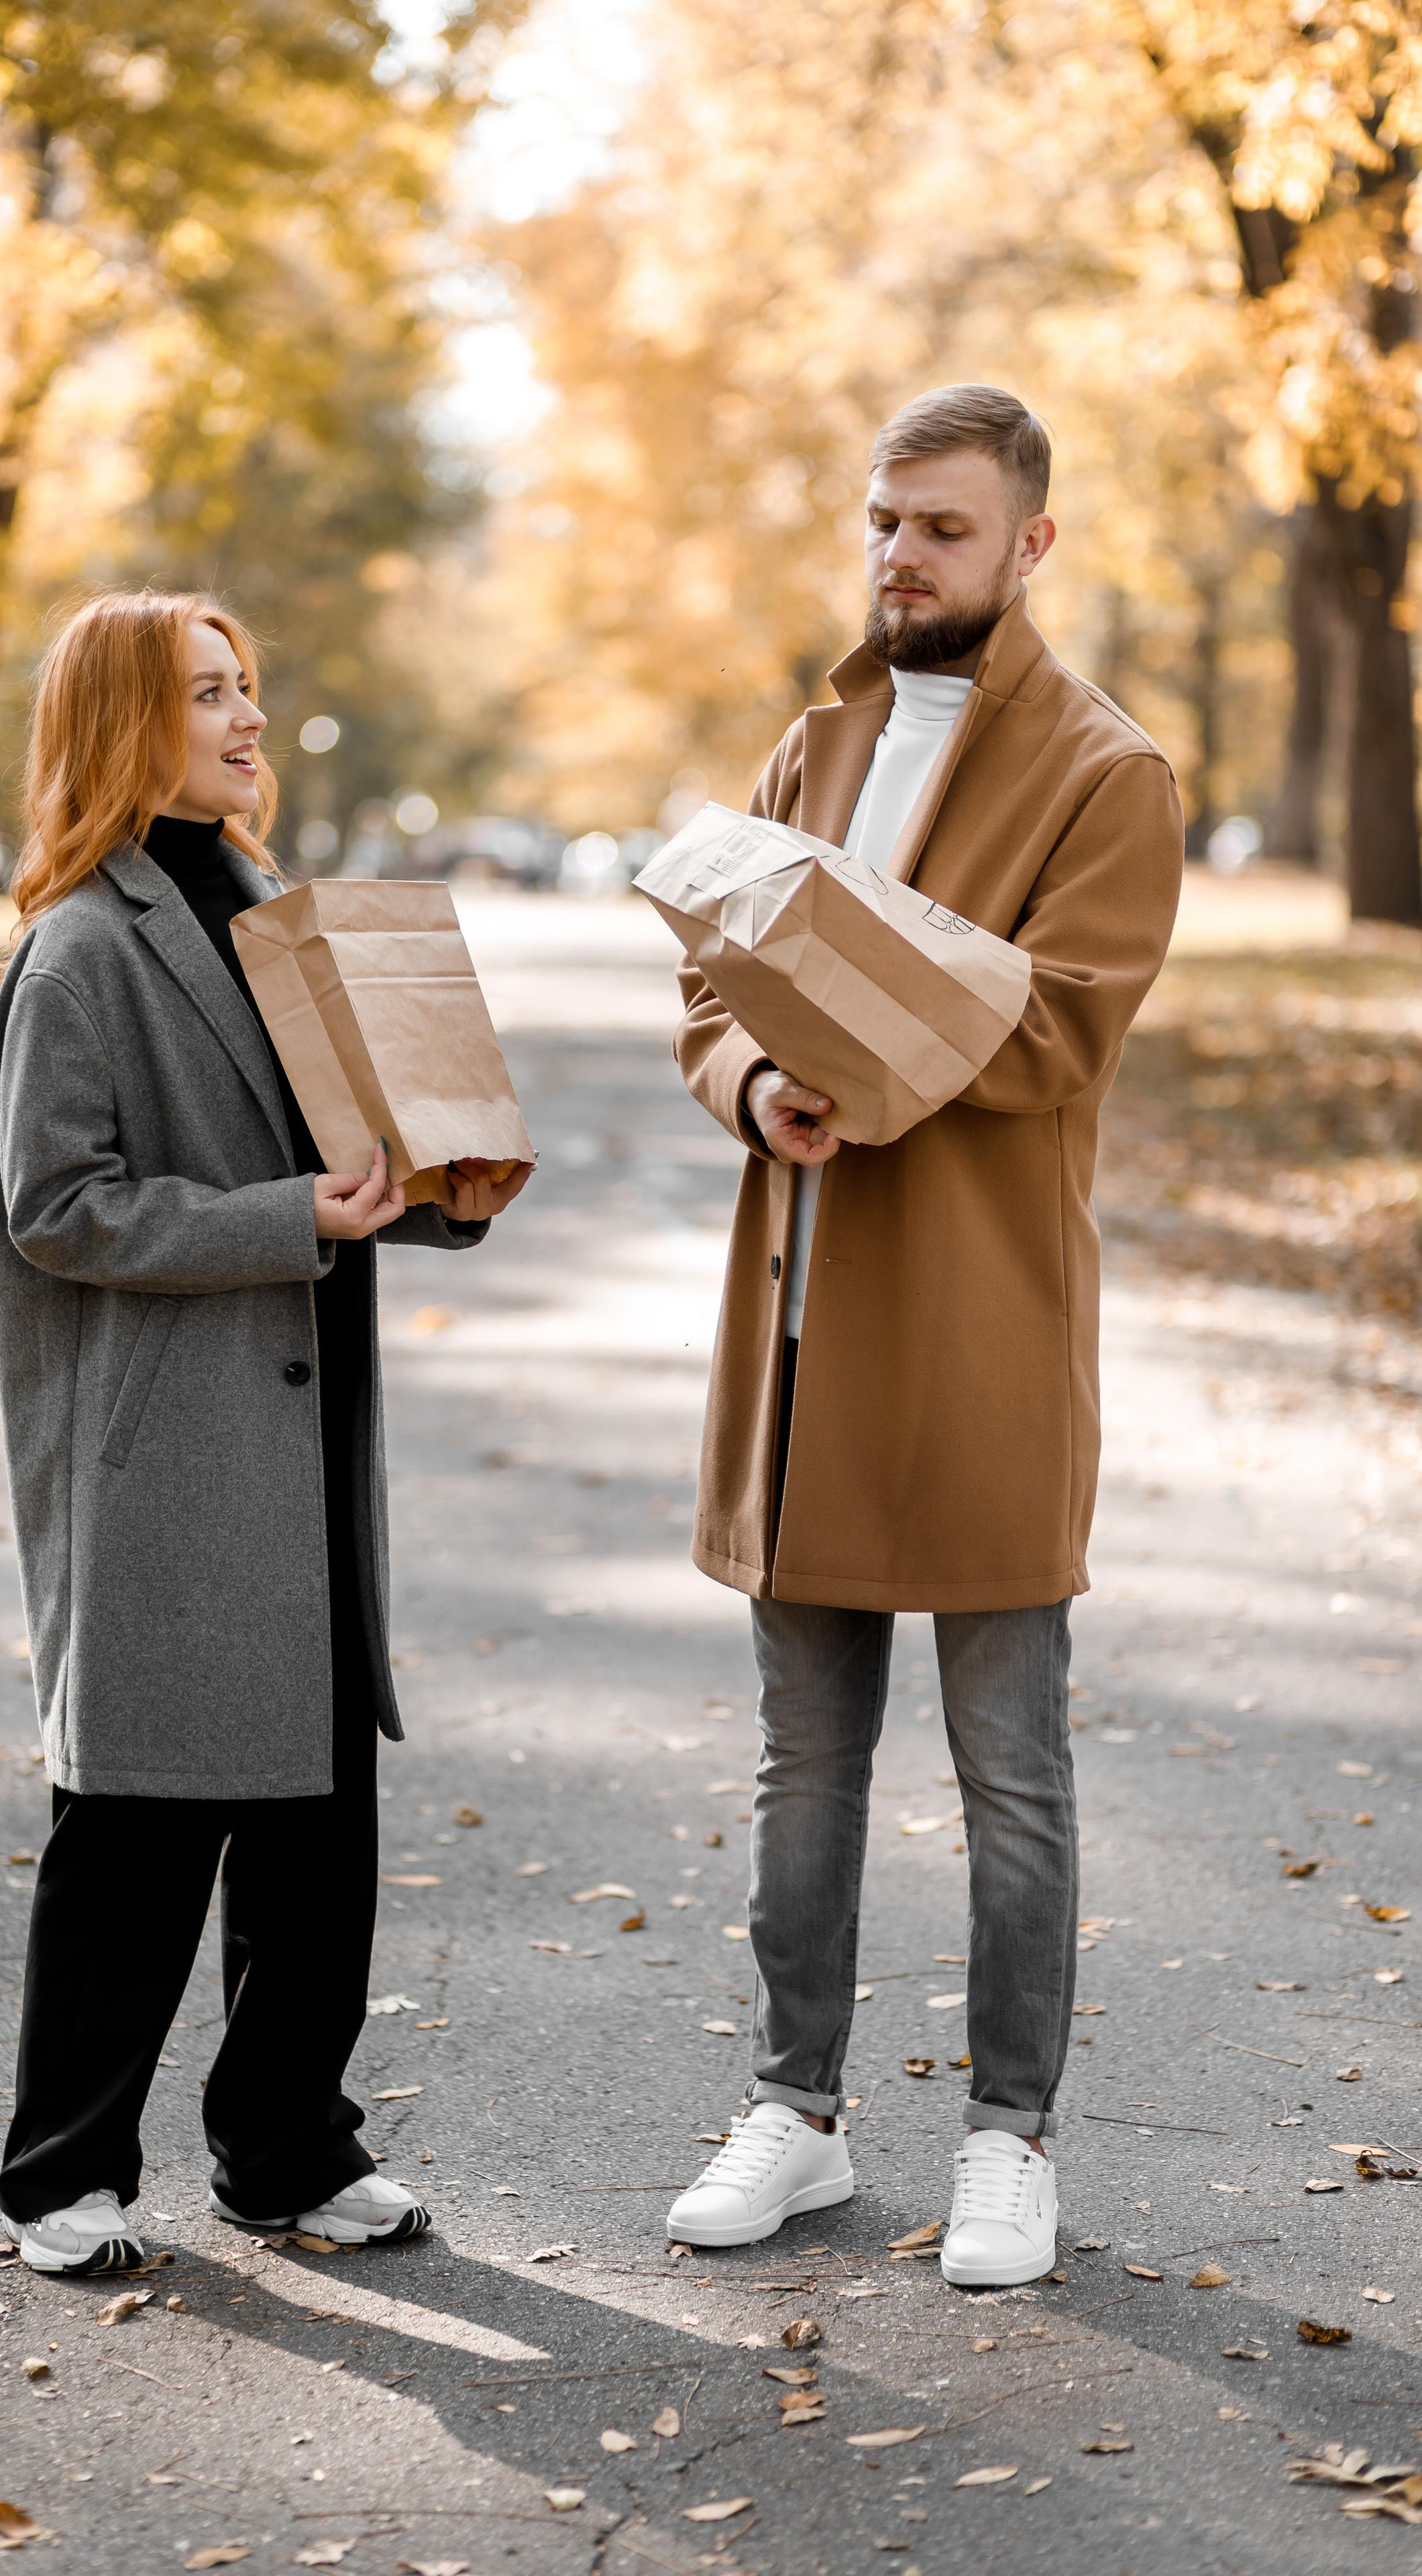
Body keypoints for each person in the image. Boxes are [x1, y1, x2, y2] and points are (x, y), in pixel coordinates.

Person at [663, 387, 1183, 2286]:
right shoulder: (817, 737)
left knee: (1008, 1776)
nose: (902, 557)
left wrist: (856, 1030)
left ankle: (1009, 2141)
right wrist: (751, 1085)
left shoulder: (1108, 774)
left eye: (944, 529)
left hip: (975, 1324)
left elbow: (1057, 1033)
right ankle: (795, 2114)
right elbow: (709, 988)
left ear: (1031, 544)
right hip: (800, 1320)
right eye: (885, 521)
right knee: (805, 1769)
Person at [0, 590, 530, 2277]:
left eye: (246, 689)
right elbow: (53, 1206)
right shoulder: (81, 944)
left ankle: (288, 2146)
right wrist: (286, 1213)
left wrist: (442, 1183)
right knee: (141, 1822)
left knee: (314, 1818)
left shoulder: (284, 914)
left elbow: (351, 1157)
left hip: (303, 1413)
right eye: (201, 694)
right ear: (117, 725)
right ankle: (63, 2174)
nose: (241, 721)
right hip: (169, 1442)